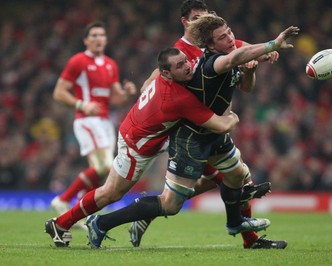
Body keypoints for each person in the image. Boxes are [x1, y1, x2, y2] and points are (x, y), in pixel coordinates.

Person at [85, 14, 299, 249]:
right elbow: (233, 61)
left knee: (237, 174)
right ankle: (102, 222)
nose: (230, 38)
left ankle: (236, 224)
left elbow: (246, 87)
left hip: (213, 136)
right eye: (222, 37)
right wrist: (273, 44)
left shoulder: (227, 56)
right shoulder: (212, 63)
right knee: (170, 205)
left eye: (229, 32)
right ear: (210, 46)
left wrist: (248, 72)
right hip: (192, 140)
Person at [44, 47, 240, 247]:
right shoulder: (178, 98)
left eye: (185, 61)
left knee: (207, 168)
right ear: (167, 73)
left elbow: (157, 74)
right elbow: (223, 125)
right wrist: (232, 114)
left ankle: (150, 210)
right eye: (180, 65)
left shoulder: (167, 77)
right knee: (111, 193)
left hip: (154, 134)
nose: (187, 67)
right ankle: (60, 224)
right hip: (137, 145)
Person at [129, 0, 279, 249]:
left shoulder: (217, 42)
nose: (203, 22)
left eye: (205, 16)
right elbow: (153, 81)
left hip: (211, 130)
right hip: (193, 132)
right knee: (235, 179)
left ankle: (151, 212)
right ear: (185, 22)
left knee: (224, 180)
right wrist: (151, 95)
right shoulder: (180, 51)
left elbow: (241, 52)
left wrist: (264, 52)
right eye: (197, 17)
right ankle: (247, 236)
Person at [49, 21, 137, 228]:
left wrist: (126, 93)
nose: (99, 38)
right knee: (104, 166)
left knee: (102, 170)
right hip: (87, 120)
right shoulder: (77, 61)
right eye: (94, 35)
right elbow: (59, 93)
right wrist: (82, 104)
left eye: (102, 35)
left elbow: (115, 98)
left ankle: (80, 208)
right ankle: (63, 200)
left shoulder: (110, 64)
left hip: (105, 122)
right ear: (86, 40)